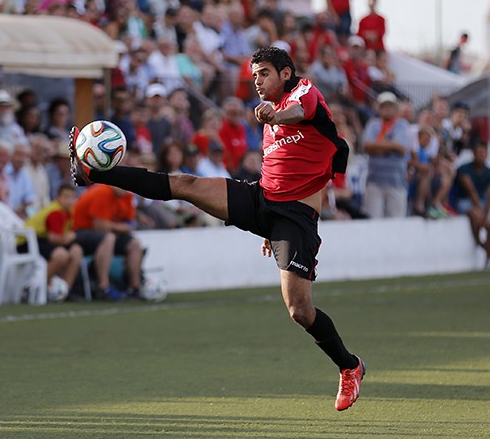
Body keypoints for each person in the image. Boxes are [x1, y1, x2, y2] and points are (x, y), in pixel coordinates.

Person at [68, 45, 365, 411]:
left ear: (285, 74)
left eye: (264, 74)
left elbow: (300, 110)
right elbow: (283, 167)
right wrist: (264, 226)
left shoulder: (303, 93)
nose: (257, 81)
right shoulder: (269, 117)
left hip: (294, 219)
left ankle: (349, 366)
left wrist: (276, 113)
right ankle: (95, 172)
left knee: (300, 311)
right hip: (261, 200)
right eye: (254, 76)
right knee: (187, 185)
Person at [361, 91, 411, 219]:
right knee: (373, 220)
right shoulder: (373, 124)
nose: (387, 109)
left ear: (395, 108)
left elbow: (401, 147)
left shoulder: (402, 124)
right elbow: (366, 146)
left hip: (396, 182)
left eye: (390, 106)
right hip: (374, 181)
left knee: (395, 221)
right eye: (384, 106)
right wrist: (390, 146)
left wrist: (377, 146)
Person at [453, 142, 490, 266]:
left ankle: (488, 258)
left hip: (484, 203)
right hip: (466, 201)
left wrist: (486, 212)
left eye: (483, 153)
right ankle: (480, 243)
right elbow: (470, 190)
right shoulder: (464, 169)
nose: (480, 156)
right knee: (475, 216)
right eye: (478, 153)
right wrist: (480, 209)